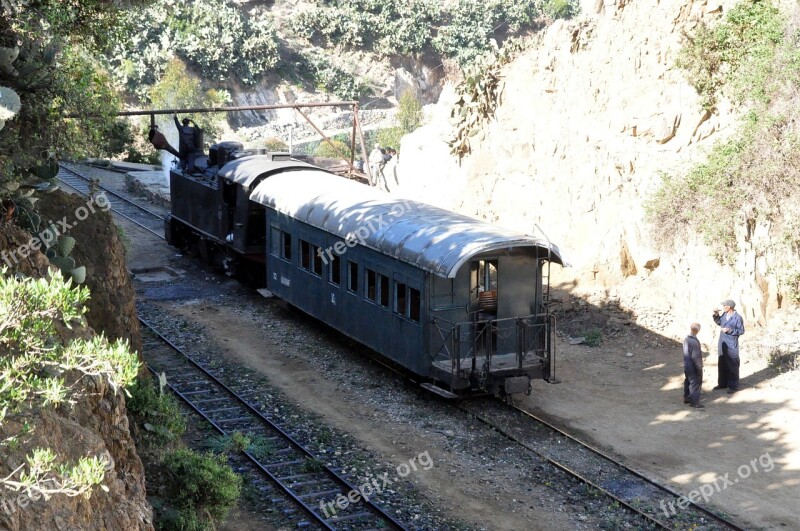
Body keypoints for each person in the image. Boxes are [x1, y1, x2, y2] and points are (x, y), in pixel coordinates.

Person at [712, 299, 745, 393]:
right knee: (722, 363)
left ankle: (733, 386)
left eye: (724, 306)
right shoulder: (724, 315)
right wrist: (715, 315)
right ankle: (722, 383)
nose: (722, 307)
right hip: (722, 343)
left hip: (731, 343)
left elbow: (741, 331)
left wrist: (729, 330)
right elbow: (719, 322)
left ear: (729, 307)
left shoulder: (738, 318)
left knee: (732, 364)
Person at [683, 322, 704, 408]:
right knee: (695, 383)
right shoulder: (694, 342)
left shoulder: (686, 339)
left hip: (687, 364)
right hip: (693, 366)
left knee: (688, 380)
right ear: (698, 331)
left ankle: (687, 397)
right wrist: (699, 368)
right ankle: (694, 402)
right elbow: (696, 357)